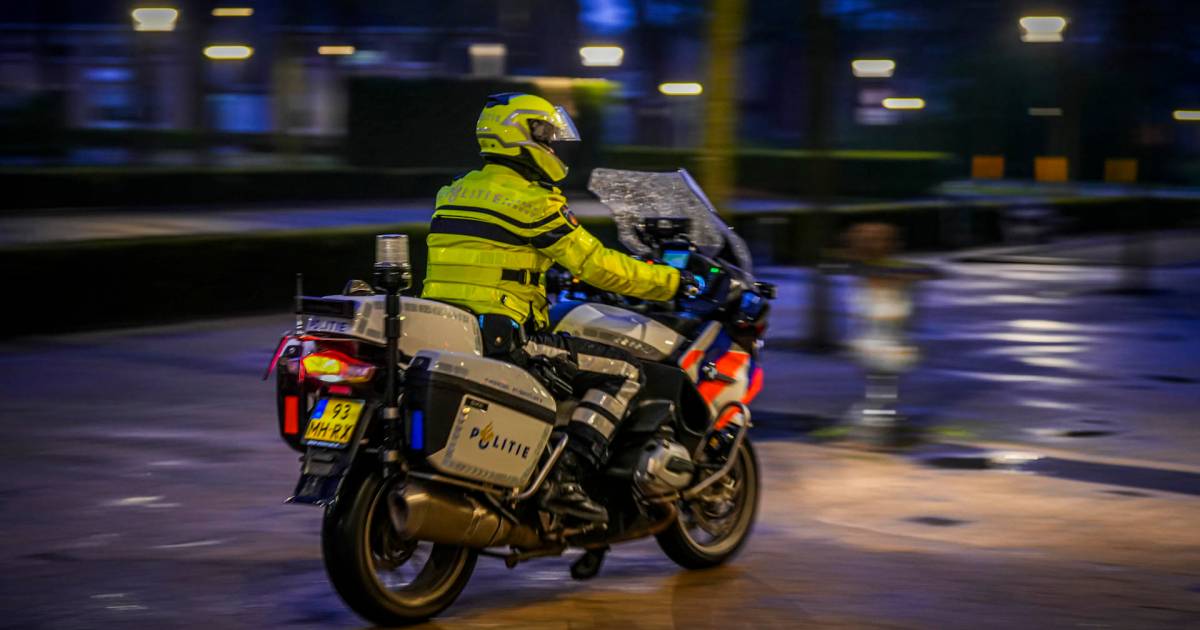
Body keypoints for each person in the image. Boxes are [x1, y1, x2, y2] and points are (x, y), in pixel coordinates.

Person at [421, 92, 694, 522]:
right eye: (547, 136)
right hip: (506, 337)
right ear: (524, 137)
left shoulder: (452, 193)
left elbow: (492, 258)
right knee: (625, 371)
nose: (552, 147)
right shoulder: (533, 203)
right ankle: (567, 479)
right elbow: (598, 265)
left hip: (452, 331)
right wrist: (673, 281)